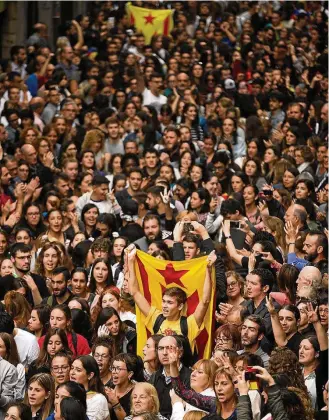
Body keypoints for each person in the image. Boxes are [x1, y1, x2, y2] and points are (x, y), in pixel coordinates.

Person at [127, 244, 216, 353]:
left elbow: (205, 301)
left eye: (169, 302)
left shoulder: (189, 324)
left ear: (180, 306)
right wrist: (131, 261)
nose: (164, 305)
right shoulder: (156, 319)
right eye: (164, 301)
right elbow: (135, 293)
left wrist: (208, 270)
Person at [70, 355, 109, 420]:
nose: (72, 373)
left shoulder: (98, 399)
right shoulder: (66, 392)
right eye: (72, 368)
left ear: (90, 375)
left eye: (78, 370)